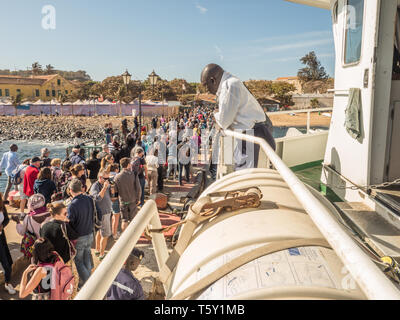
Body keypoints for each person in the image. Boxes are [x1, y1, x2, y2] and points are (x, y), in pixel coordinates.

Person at [201, 63, 276, 169]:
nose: (207, 90)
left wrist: (215, 115)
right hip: (256, 130)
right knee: (244, 169)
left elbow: (224, 121)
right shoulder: (232, 82)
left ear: (213, 80)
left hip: (251, 132)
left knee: (244, 174)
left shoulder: (228, 86)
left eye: (206, 85)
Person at [67, 179, 95, 287]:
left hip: (79, 236)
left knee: (78, 261)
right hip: (89, 233)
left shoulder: (72, 205)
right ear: (81, 188)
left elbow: (70, 222)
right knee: (87, 257)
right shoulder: (89, 199)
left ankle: (88, 282)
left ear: (70, 190)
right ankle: (88, 279)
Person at [89, 169, 112, 261]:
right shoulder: (95, 186)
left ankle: (98, 249)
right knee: (105, 235)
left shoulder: (105, 184)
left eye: (108, 179)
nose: (107, 181)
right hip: (102, 213)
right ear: (100, 177)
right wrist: (104, 188)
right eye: (105, 178)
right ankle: (102, 254)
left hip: (106, 211)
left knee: (99, 232)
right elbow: (97, 199)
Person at [114, 158, 141, 232]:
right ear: (128, 165)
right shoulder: (133, 174)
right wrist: (138, 198)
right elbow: (138, 188)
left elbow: (115, 191)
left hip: (123, 201)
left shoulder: (117, 177)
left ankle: (124, 238)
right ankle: (133, 236)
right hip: (132, 200)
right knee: (134, 220)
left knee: (124, 220)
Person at [0, 193, 17, 295]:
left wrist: (2, 226)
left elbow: (6, 219)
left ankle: (7, 283)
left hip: (1, 238)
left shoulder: (1, 205)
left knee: (7, 263)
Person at [108, 163, 121, 240]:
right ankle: (114, 234)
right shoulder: (117, 176)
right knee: (116, 217)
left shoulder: (107, 176)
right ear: (116, 169)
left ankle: (112, 231)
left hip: (108, 199)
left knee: (113, 216)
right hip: (115, 199)